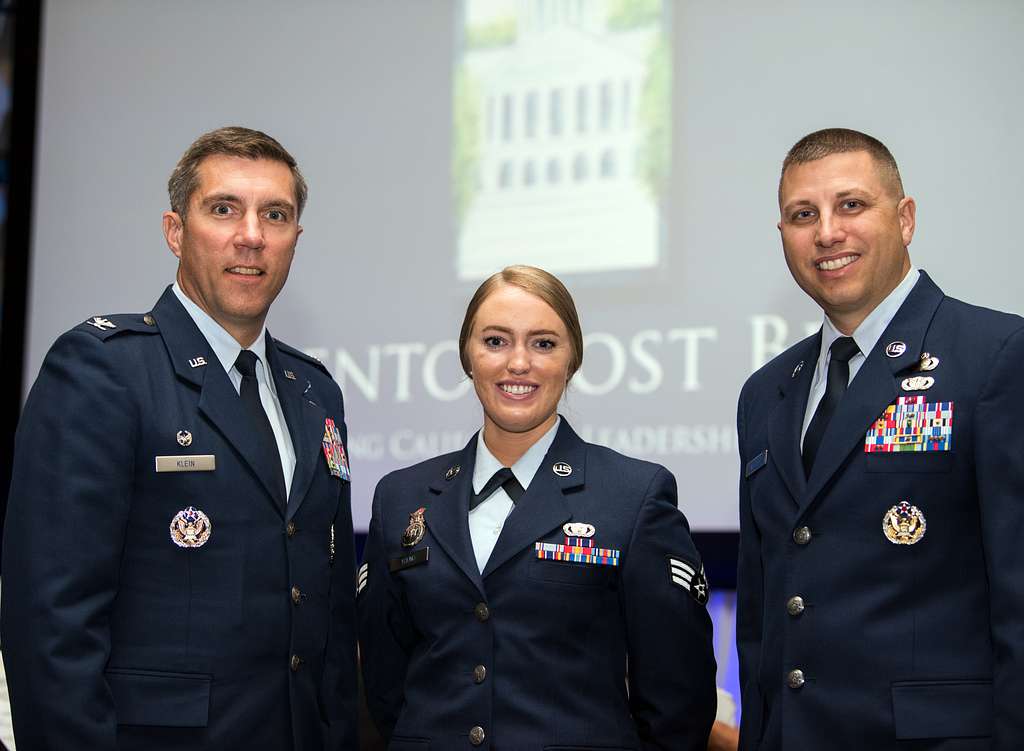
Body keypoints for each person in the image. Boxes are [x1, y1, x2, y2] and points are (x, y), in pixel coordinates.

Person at [1, 126, 358, 750]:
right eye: (224, 209)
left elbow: (328, 613)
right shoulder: (102, 369)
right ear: (175, 231)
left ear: (294, 241)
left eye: (275, 215)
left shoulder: (314, 391)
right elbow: (50, 623)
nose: (251, 235)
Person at [736, 128, 1024, 749]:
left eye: (851, 205)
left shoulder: (997, 357)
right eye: (802, 215)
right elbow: (762, 617)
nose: (827, 233)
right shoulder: (765, 393)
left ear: (906, 218)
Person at [357, 265, 717, 750]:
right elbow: (384, 682)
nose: (519, 363)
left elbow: (678, 697)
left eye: (544, 343)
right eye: (496, 341)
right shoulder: (401, 497)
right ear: (468, 356)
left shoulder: (634, 495)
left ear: (573, 361)